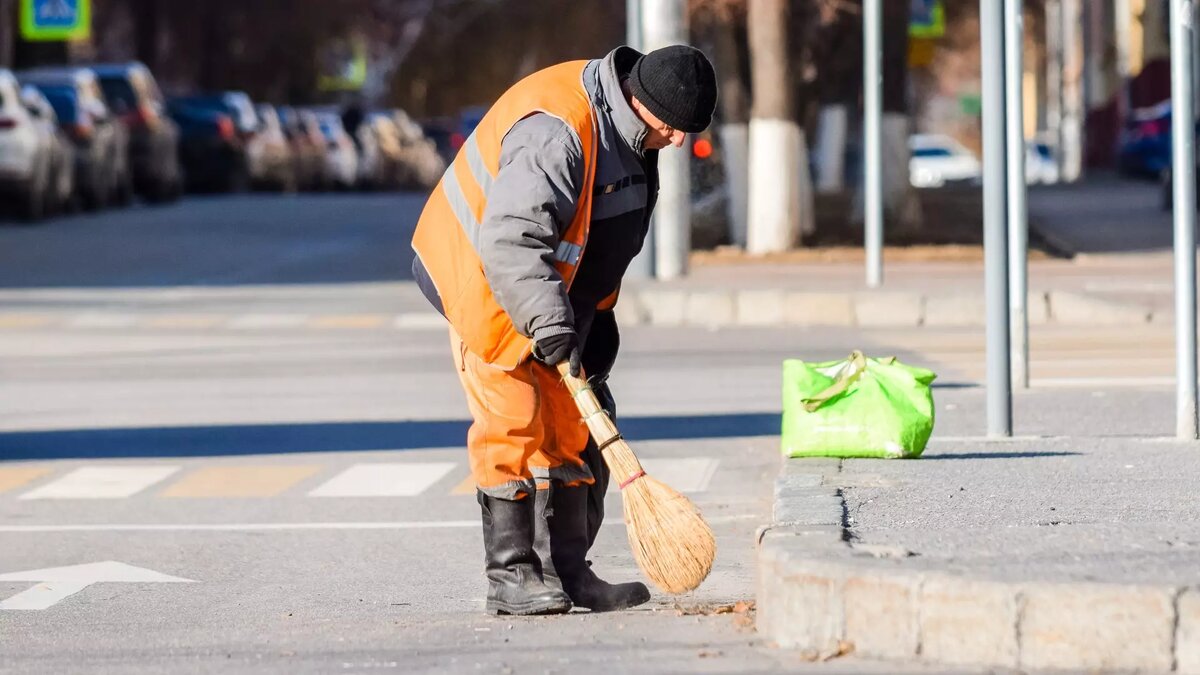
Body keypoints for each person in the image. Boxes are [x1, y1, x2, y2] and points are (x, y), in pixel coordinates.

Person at [411, 45, 717, 616]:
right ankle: (511, 576)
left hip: (550, 289)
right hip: (488, 278)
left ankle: (567, 571)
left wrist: (595, 318)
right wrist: (551, 325)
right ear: (640, 101)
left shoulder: (631, 135)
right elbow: (510, 241)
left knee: (571, 427)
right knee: (513, 424)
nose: (678, 141)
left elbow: (601, 240)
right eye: (673, 127)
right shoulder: (557, 131)